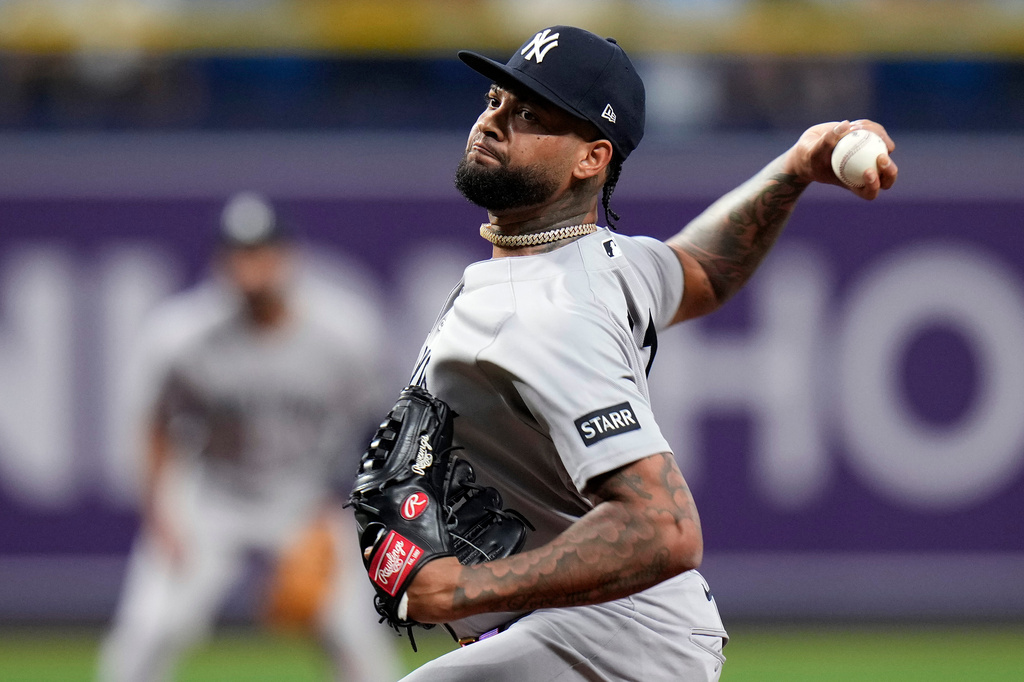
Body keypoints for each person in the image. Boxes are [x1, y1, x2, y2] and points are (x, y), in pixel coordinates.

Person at [391, 26, 897, 681]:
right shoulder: (606, 261)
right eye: (493, 100)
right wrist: (795, 167)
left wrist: (462, 591)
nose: (492, 123)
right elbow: (701, 269)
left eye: (527, 115)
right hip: (616, 629)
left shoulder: (544, 311)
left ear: (590, 159)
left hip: (613, 638)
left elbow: (663, 528)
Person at [97, 192, 401, 682]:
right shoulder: (183, 335)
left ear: (290, 256)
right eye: (239, 252)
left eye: (263, 249)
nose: (251, 264)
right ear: (220, 261)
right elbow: (154, 423)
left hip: (306, 496)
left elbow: (382, 425)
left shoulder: (345, 330)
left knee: (360, 645)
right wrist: (161, 515)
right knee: (147, 633)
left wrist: (341, 509)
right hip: (211, 494)